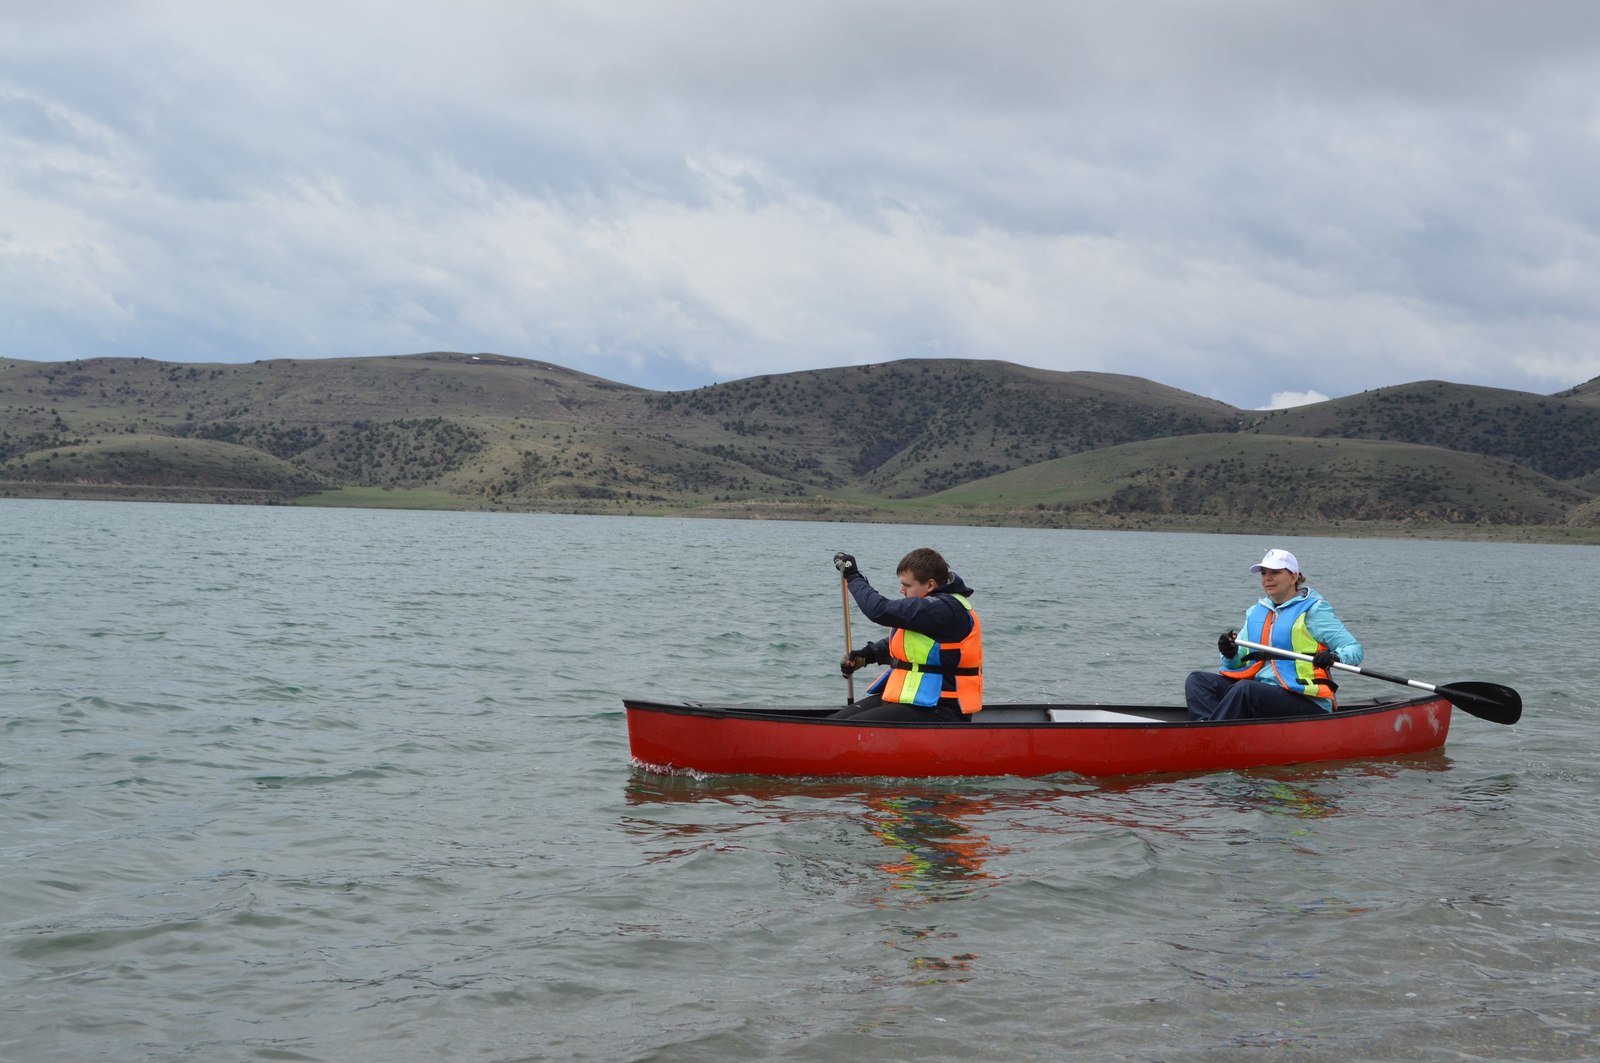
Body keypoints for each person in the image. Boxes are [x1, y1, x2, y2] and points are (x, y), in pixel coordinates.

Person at [1185, 548, 1363, 721]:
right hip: (1261, 693)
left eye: (1275, 572)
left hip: (1304, 700)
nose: (1267, 578)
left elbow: (1354, 649)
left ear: (1293, 577)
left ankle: (1211, 738)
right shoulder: (1255, 612)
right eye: (1263, 573)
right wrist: (1229, 653)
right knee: (1198, 681)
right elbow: (1237, 662)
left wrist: (1335, 657)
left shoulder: (1314, 610)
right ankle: (1207, 730)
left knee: (1245, 690)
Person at [830, 547, 983, 722]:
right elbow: (915, 644)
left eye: (907, 585)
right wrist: (868, 655)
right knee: (833, 722)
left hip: (940, 709)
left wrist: (853, 576)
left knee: (847, 727)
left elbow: (879, 610)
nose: (901, 590)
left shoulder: (943, 609)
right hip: (913, 701)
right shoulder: (934, 608)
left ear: (930, 585)